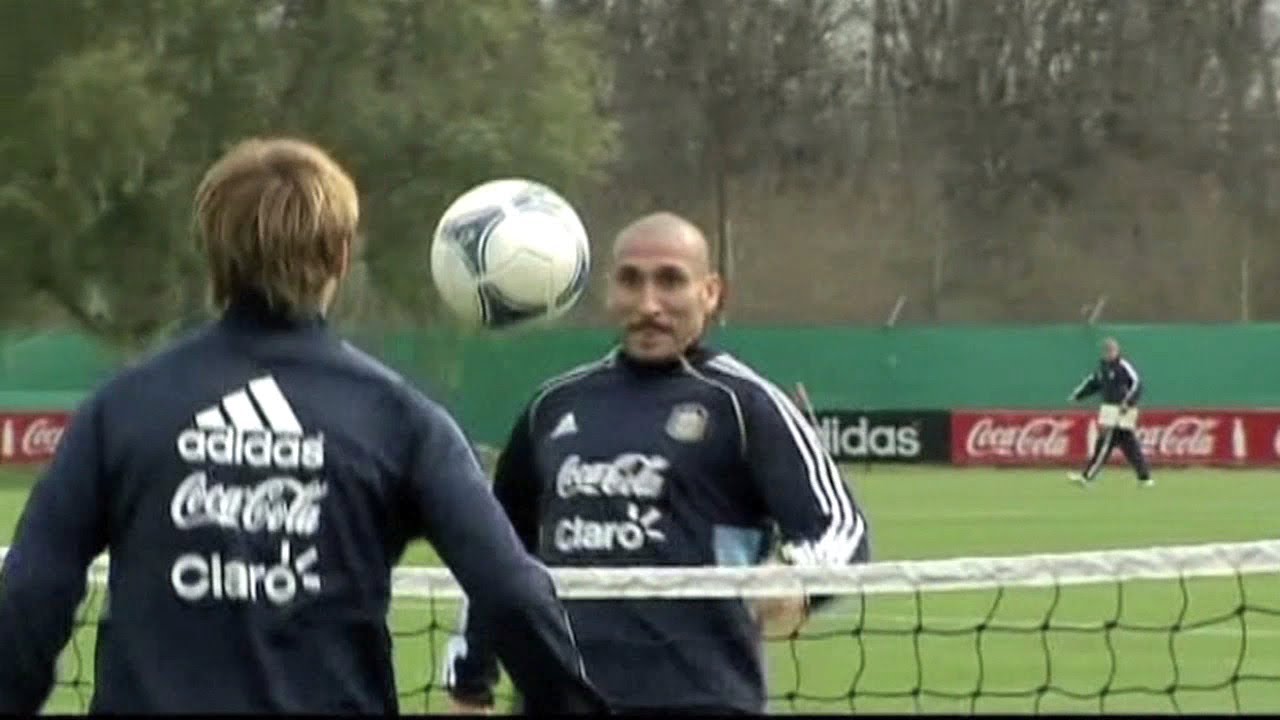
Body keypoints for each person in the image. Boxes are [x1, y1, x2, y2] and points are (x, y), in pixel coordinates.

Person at [0, 138, 607, 715]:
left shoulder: (123, 407)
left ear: (212, 252)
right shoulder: (401, 420)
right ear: (341, 255)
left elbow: (31, 593)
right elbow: (512, 592)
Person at [443, 212, 872, 714]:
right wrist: (471, 681)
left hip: (702, 701)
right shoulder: (552, 407)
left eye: (671, 280)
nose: (649, 304)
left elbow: (841, 527)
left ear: (710, 293)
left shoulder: (744, 405)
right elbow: (494, 552)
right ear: (610, 291)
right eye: (631, 281)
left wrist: (800, 576)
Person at [1067, 337, 1153, 487]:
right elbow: (1092, 384)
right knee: (1128, 443)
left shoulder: (1123, 366)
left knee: (1106, 441)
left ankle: (1088, 477)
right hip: (1108, 409)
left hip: (1121, 409)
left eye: (1112, 350)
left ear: (1117, 351)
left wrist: (1128, 402)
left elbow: (1137, 384)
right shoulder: (1102, 369)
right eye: (1106, 351)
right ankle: (1144, 477)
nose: (1109, 354)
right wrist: (1077, 396)